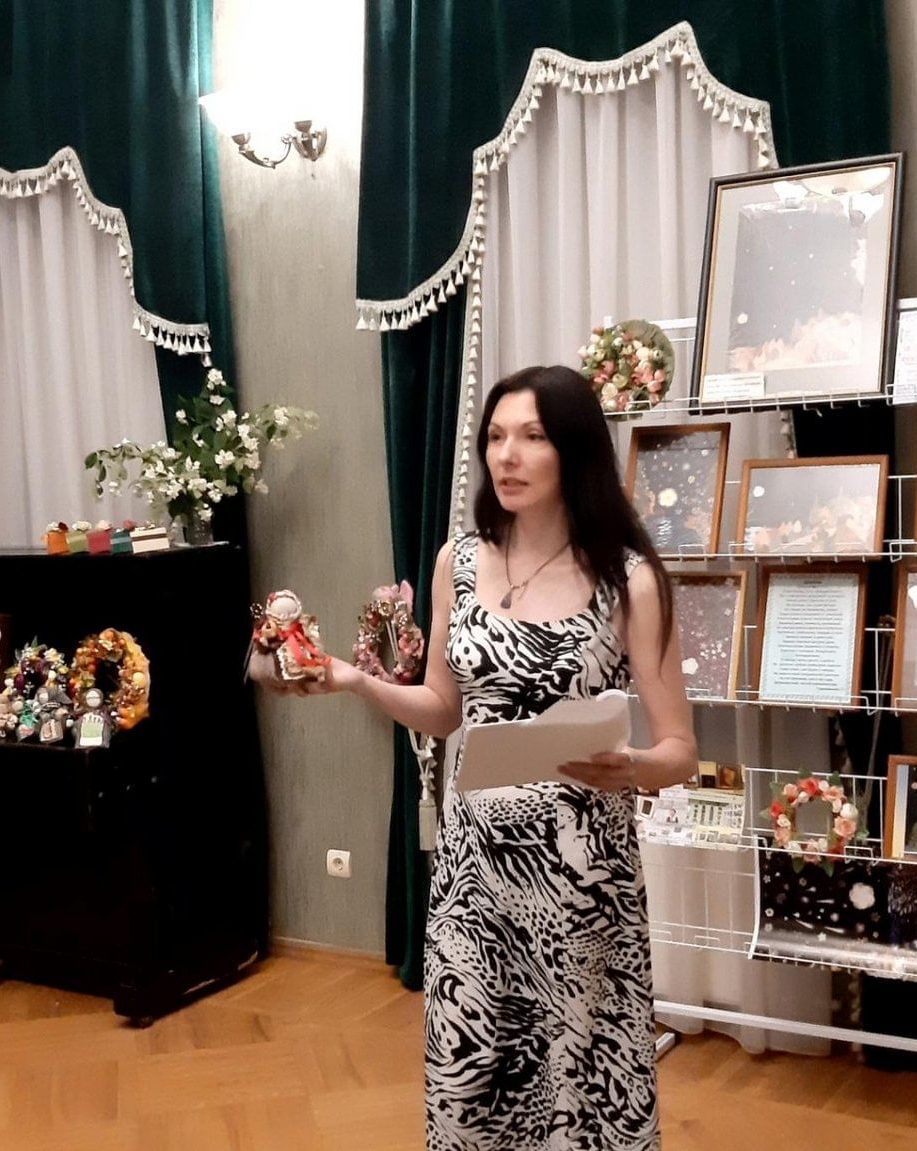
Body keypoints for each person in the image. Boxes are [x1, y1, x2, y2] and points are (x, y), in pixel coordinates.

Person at [262, 364, 697, 1149]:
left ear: (574, 450)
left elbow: (681, 750)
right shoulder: (457, 562)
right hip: (473, 868)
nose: (508, 455)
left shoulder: (629, 579)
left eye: (531, 436)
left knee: (577, 1078)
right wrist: (356, 680)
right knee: (471, 1067)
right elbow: (444, 708)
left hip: (579, 874)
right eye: (496, 436)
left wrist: (633, 767)